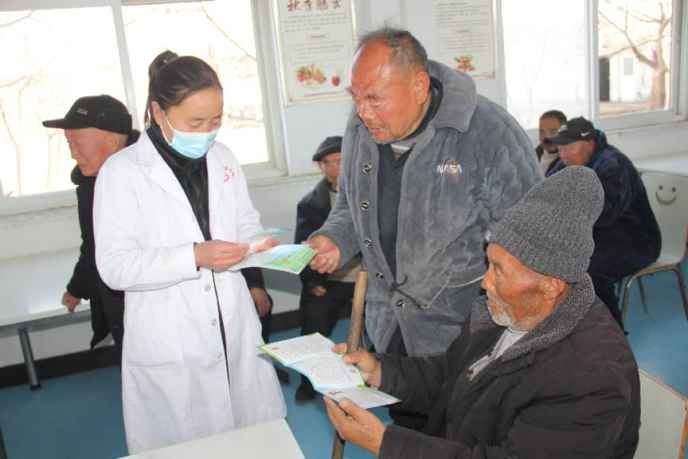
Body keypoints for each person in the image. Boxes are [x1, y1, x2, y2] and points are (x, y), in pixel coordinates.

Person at [307, 27, 541, 428]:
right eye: (355, 98)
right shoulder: (361, 128)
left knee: (464, 434)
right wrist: (334, 239)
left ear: (419, 86)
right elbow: (349, 204)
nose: (363, 113)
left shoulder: (487, 131)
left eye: (374, 98)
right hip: (389, 327)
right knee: (409, 429)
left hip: (462, 333)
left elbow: (529, 238)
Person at [325, 166, 641, 458]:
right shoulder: (504, 313)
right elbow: (449, 376)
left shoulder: (589, 379)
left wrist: (386, 443)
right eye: (488, 263)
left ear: (550, 285)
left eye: (499, 270)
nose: (485, 282)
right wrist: (380, 371)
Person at [93, 51, 286, 453]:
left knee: (252, 442)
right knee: (187, 447)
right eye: (195, 123)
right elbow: (114, 266)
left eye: (215, 120)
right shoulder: (122, 172)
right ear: (158, 112)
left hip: (233, 326)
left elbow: (245, 221)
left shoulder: (224, 158)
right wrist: (194, 256)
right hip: (171, 339)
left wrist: (259, 242)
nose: (207, 133)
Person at [43, 95, 140, 361]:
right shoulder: (89, 184)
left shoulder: (153, 178)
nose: (73, 153)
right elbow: (94, 243)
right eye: (69, 144)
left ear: (112, 142)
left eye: (77, 143)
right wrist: (78, 287)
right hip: (117, 306)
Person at [545, 117, 660, 330]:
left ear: (590, 144)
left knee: (587, 271)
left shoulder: (615, 166)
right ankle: (566, 327)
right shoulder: (567, 163)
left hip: (635, 241)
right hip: (598, 236)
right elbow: (542, 196)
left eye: (568, 147)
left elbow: (603, 214)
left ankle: (612, 335)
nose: (563, 154)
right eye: (560, 148)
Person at [294, 135, 361, 403]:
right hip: (329, 279)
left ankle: (378, 380)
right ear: (321, 166)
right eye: (328, 163)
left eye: (340, 161)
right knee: (313, 327)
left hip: (369, 278)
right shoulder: (310, 203)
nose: (334, 168)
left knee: (385, 331)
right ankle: (309, 383)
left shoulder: (370, 196)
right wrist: (312, 281)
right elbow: (303, 246)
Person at [535, 110, 566, 174]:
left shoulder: (570, 161)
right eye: (542, 132)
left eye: (553, 132)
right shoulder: (533, 156)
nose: (546, 137)